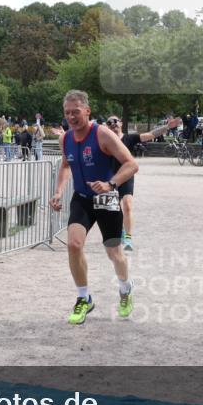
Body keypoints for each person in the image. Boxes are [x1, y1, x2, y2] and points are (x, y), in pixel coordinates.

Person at [50, 91, 139, 325]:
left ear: (87, 111)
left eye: (76, 112)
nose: (71, 117)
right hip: (82, 198)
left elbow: (131, 164)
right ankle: (84, 297)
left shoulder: (102, 134)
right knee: (73, 244)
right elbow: (66, 166)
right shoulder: (65, 139)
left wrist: (111, 183)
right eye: (67, 113)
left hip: (105, 199)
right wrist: (58, 192)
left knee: (114, 253)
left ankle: (125, 288)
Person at [105, 114, 181, 251]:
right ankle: (120, 230)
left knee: (127, 205)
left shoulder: (129, 138)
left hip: (126, 175)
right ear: (107, 126)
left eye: (115, 121)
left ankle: (128, 238)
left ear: (121, 123)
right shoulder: (105, 142)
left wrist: (167, 127)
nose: (113, 123)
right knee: (113, 209)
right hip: (111, 178)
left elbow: (150, 135)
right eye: (109, 122)